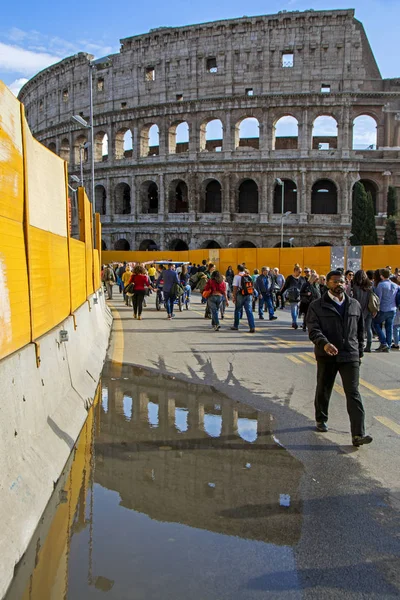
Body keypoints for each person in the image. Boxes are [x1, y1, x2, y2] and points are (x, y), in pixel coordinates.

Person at [306, 270, 373, 447]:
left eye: (341, 282)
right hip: (326, 355)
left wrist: (359, 353)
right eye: (335, 282)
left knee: (353, 393)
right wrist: (324, 344)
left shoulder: (354, 305)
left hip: (349, 355)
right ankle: (321, 418)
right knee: (324, 388)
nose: (339, 285)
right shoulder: (317, 305)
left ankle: (358, 434)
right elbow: (313, 330)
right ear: (327, 283)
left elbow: (360, 332)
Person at [373, 267, 398, 352]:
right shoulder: (395, 285)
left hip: (383, 308)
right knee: (389, 327)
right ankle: (388, 345)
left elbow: (378, 298)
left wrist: (376, 309)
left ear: (381, 276)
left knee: (375, 323)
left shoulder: (381, 285)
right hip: (393, 309)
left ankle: (384, 342)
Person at [352, 270, 374, 352]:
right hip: (368, 309)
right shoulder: (370, 286)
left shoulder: (355, 286)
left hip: (357, 309)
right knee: (368, 328)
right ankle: (369, 345)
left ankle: (359, 344)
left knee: (357, 328)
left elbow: (354, 298)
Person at [231, 264, 256, 333]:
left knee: (238, 309)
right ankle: (252, 326)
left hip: (240, 294)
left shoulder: (237, 276)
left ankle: (236, 325)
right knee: (249, 311)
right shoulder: (248, 276)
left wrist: (234, 296)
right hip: (248, 295)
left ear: (238, 269)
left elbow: (235, 287)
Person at [281, 264, 305, 329]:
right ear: (295, 271)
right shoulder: (289, 278)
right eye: (299, 272)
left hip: (300, 297)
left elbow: (305, 287)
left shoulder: (302, 279)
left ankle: (294, 321)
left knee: (297, 310)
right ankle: (294, 322)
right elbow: (285, 286)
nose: (300, 273)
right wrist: (280, 293)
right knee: (293, 309)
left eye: (301, 272)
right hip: (292, 296)